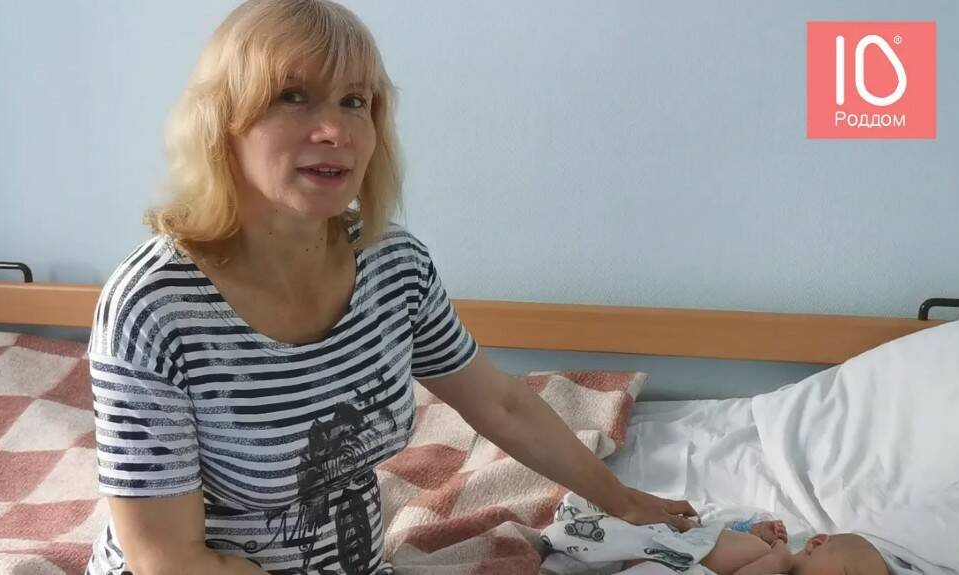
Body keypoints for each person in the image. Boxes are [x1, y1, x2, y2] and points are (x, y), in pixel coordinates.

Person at [84, 1, 696, 574]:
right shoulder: (154, 308)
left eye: (355, 101)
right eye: (292, 96)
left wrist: (622, 500)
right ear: (222, 121)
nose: (335, 129)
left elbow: (500, 404)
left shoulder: (392, 266)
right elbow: (169, 560)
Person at [542, 493, 888, 575]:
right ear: (816, 543)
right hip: (669, 542)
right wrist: (756, 533)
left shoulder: (774, 562)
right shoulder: (775, 550)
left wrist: (773, 560)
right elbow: (719, 530)